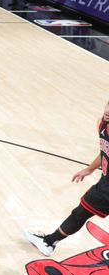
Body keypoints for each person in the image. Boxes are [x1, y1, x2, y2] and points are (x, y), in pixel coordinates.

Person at [25, 102, 109, 258]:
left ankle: (48, 242)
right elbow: (104, 151)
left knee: (80, 213)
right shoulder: (102, 124)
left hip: (106, 189)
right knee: (80, 213)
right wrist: (89, 169)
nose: (108, 111)